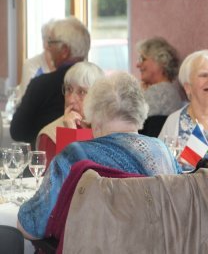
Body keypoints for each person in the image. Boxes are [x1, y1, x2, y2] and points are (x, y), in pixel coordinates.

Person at [17, 71, 181, 239]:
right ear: (140, 110)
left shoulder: (75, 155)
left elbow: (32, 226)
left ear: (93, 113)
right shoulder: (162, 152)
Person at [10, 17, 91, 148]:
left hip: (46, 162)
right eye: (68, 90)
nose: (48, 47)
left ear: (64, 50)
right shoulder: (99, 83)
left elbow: (17, 132)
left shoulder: (41, 85)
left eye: (51, 42)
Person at [159, 50, 208, 168]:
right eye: (204, 75)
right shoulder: (174, 121)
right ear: (188, 87)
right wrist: (173, 165)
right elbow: (160, 167)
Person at [36, 61, 105, 166]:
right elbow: (61, 179)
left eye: (81, 92)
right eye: (68, 89)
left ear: (98, 97)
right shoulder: (50, 135)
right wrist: (70, 134)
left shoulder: (108, 128)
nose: (71, 100)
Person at [136, 37, 184, 136]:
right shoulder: (170, 91)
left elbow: (128, 121)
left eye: (143, 59)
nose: (138, 64)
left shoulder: (159, 92)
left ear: (161, 61)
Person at [17, 20, 57, 103]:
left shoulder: (65, 66)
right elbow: (29, 100)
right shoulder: (31, 65)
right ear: (44, 43)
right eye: (51, 40)